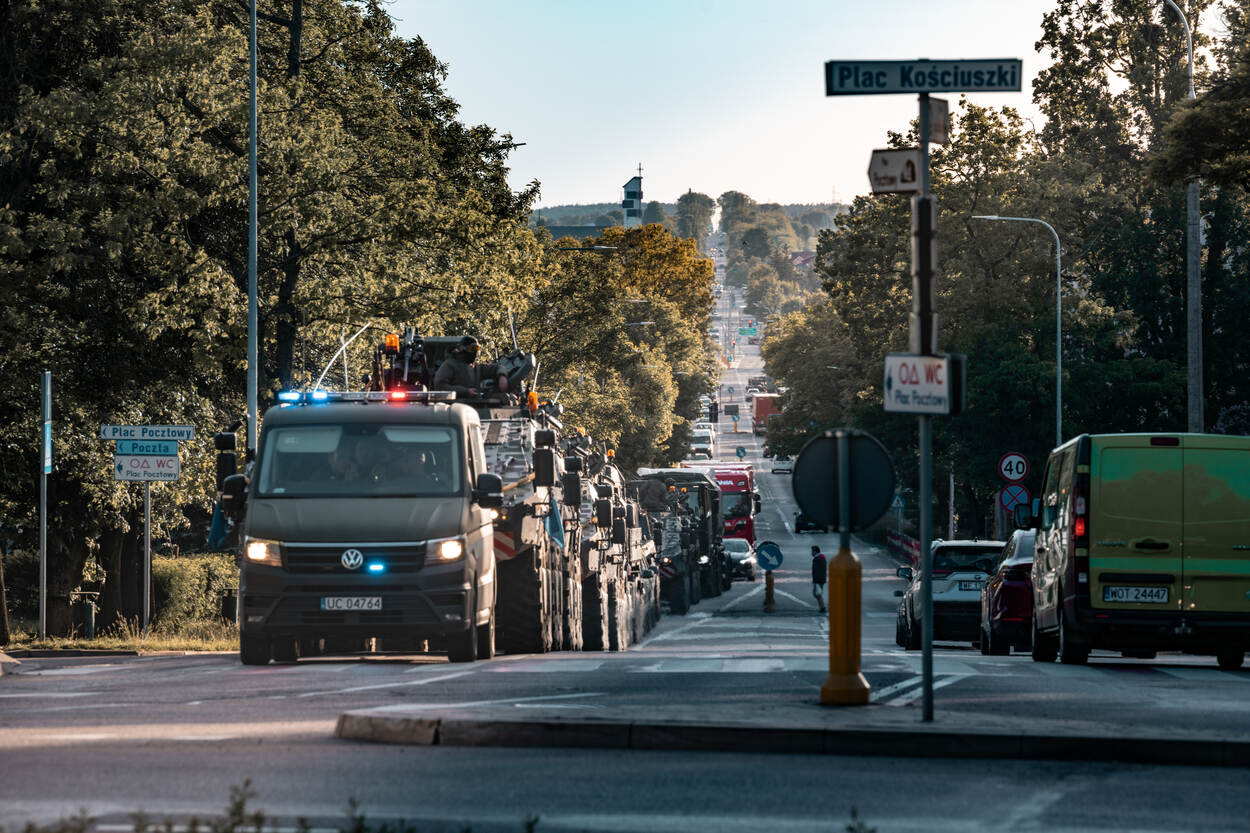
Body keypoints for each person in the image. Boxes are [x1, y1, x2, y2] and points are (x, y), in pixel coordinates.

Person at [432, 335, 509, 399]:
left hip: (475, 406)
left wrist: (502, 376)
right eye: (472, 348)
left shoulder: (476, 368)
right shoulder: (449, 364)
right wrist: (465, 392)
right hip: (454, 408)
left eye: (477, 349)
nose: (475, 352)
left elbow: (497, 368)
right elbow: (440, 387)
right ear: (462, 349)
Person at [811, 545, 827, 613]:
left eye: (812, 551)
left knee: (818, 594)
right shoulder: (819, 558)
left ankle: (823, 607)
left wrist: (816, 580)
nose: (811, 552)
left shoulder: (818, 559)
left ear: (815, 551)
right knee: (816, 593)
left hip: (819, 579)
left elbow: (818, 570)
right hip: (820, 579)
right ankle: (822, 607)